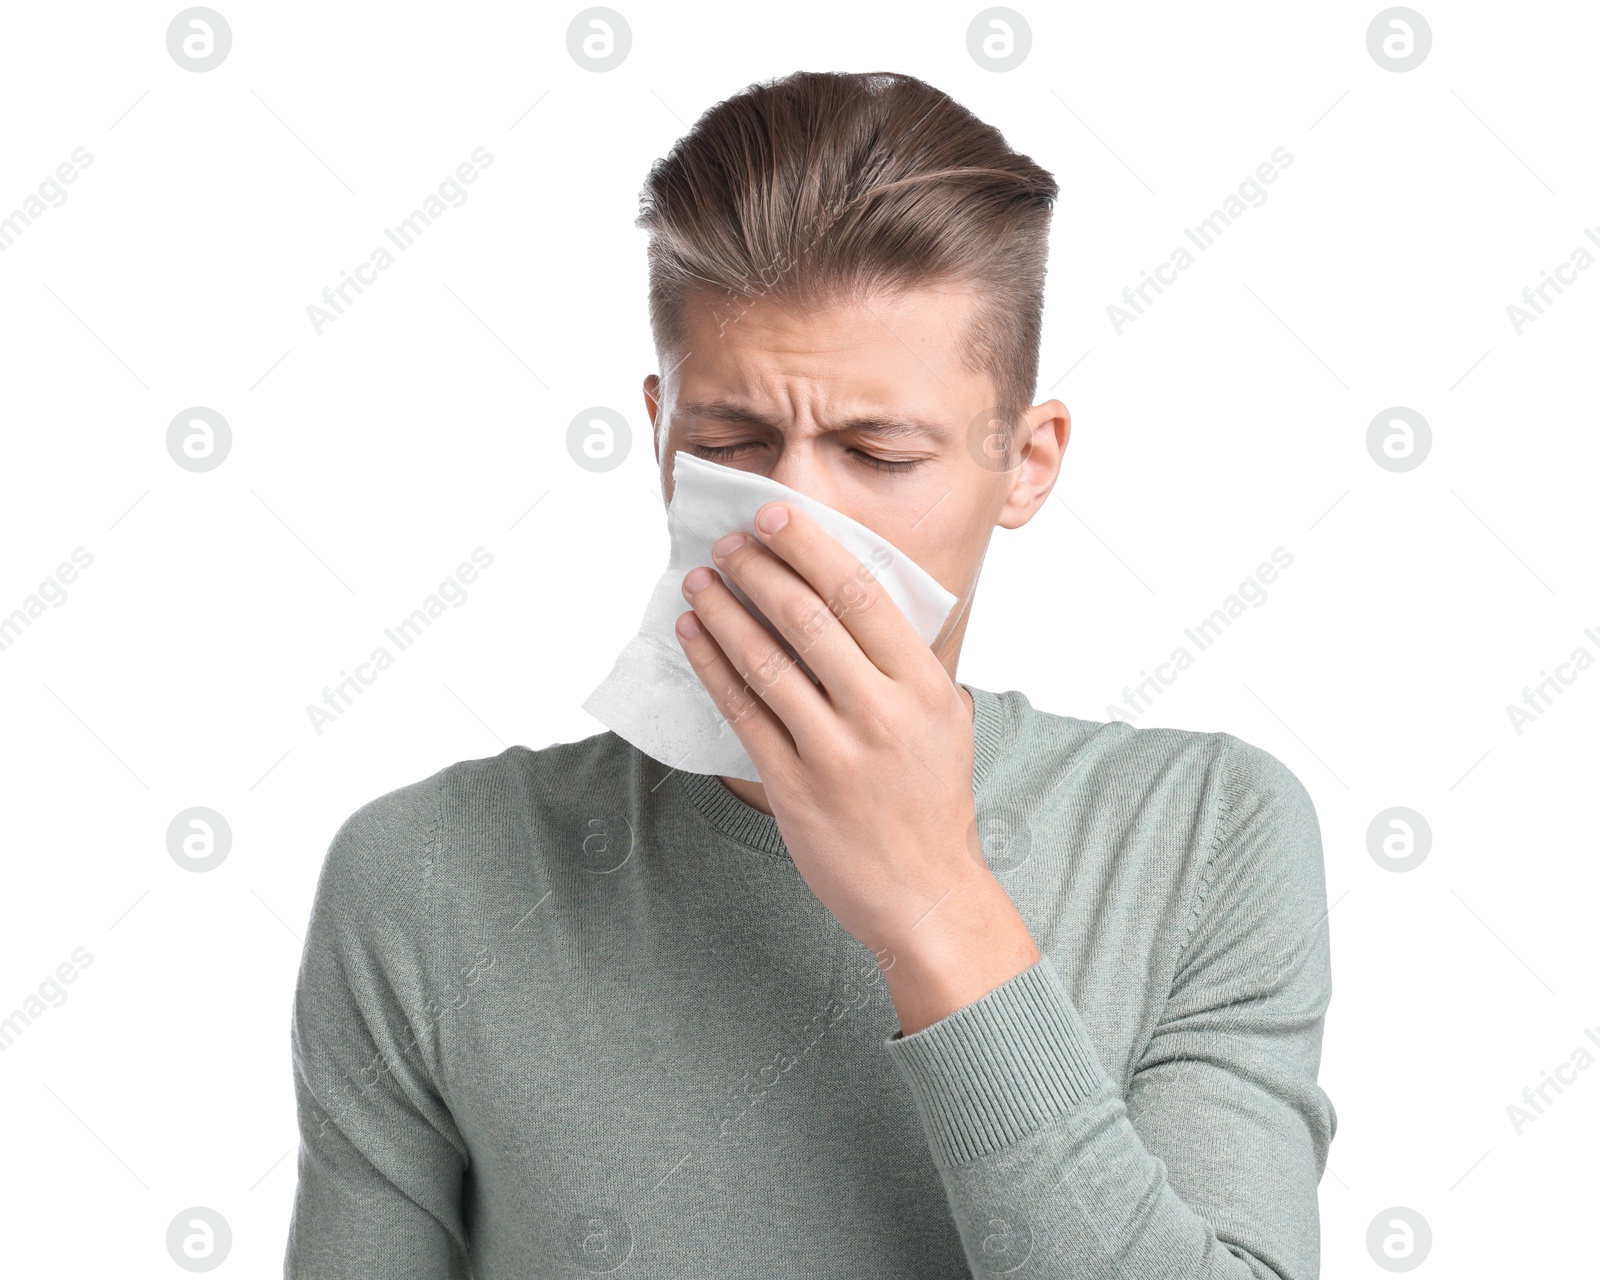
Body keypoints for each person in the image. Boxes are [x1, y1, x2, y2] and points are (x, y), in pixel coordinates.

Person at [284, 69, 1335, 1278]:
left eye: (878, 450)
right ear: (660, 439)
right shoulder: (425, 876)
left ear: (1025, 463)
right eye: (732, 446)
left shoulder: (1203, 837)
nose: (796, 520)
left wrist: (932, 899)